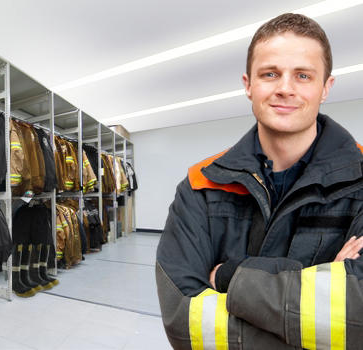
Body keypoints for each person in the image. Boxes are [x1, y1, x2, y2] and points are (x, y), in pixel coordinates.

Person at [156, 13, 363, 350]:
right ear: (248, 84)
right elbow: (185, 323)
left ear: (325, 87)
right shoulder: (200, 186)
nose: (285, 88)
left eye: (303, 75)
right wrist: (324, 289)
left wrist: (228, 276)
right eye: (270, 74)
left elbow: (359, 318)